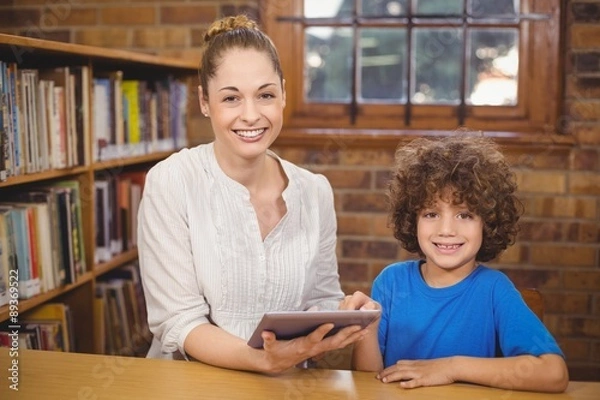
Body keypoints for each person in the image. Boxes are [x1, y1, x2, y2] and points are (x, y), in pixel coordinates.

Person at [137, 14, 375, 374]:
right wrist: (263, 360)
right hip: (189, 385)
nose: (251, 115)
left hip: (287, 386)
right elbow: (178, 321)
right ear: (204, 102)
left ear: (283, 94)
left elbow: (319, 298)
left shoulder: (314, 192)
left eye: (265, 95)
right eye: (231, 98)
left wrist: (338, 317)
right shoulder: (171, 182)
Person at [345, 135, 569, 392]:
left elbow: (553, 373)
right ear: (412, 220)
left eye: (464, 214)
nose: (447, 229)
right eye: (431, 214)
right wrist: (367, 331)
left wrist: (451, 367)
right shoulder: (391, 282)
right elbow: (367, 383)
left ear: (488, 222)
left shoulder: (494, 290)